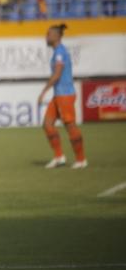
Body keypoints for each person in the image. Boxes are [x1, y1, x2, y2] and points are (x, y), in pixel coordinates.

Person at [38, 24, 87, 169]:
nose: (46, 37)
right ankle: (59, 157)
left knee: (69, 125)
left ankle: (81, 159)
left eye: (49, 34)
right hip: (59, 95)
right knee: (47, 124)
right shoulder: (57, 52)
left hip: (65, 94)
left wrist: (43, 91)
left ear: (57, 36)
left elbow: (57, 74)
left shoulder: (60, 52)